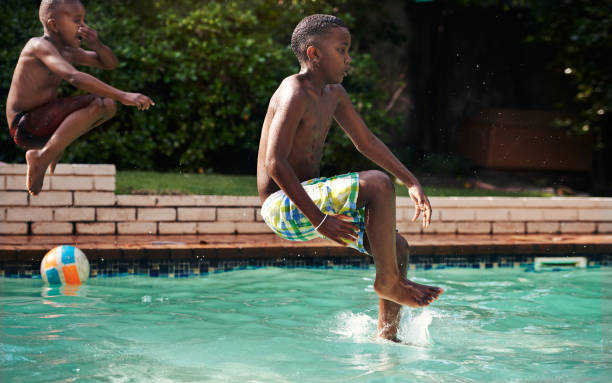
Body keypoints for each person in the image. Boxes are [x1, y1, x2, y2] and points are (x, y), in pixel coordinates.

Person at [257, 14, 443, 342]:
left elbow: (366, 141)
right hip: (283, 205)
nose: (348, 58)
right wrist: (318, 220)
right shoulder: (294, 90)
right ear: (314, 54)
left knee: (396, 249)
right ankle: (387, 282)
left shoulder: (335, 93)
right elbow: (275, 163)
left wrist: (411, 180)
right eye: (342, 50)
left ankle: (387, 339)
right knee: (376, 183)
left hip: (308, 202)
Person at [5, 0, 154, 195]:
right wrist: (123, 95)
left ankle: (52, 148)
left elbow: (109, 63)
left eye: (84, 20)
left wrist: (98, 45)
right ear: (53, 25)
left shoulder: (67, 51)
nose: (83, 27)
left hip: (43, 123)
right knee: (103, 101)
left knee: (108, 106)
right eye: (77, 20)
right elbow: (73, 76)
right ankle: (42, 156)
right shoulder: (37, 45)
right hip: (23, 126)